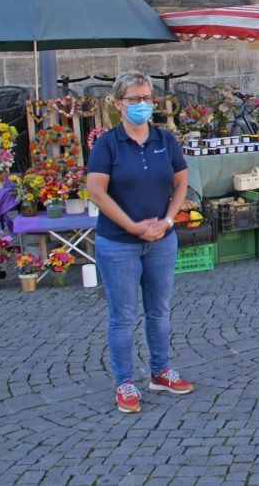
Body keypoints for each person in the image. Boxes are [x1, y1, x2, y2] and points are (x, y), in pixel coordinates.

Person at [87, 71, 193, 414]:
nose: (143, 105)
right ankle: (125, 382)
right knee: (123, 315)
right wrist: (133, 227)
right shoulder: (106, 144)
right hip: (118, 243)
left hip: (162, 239)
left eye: (147, 98)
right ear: (118, 104)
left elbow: (180, 184)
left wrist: (165, 221)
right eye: (135, 99)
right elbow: (96, 192)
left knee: (159, 311)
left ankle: (160, 371)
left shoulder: (165, 140)